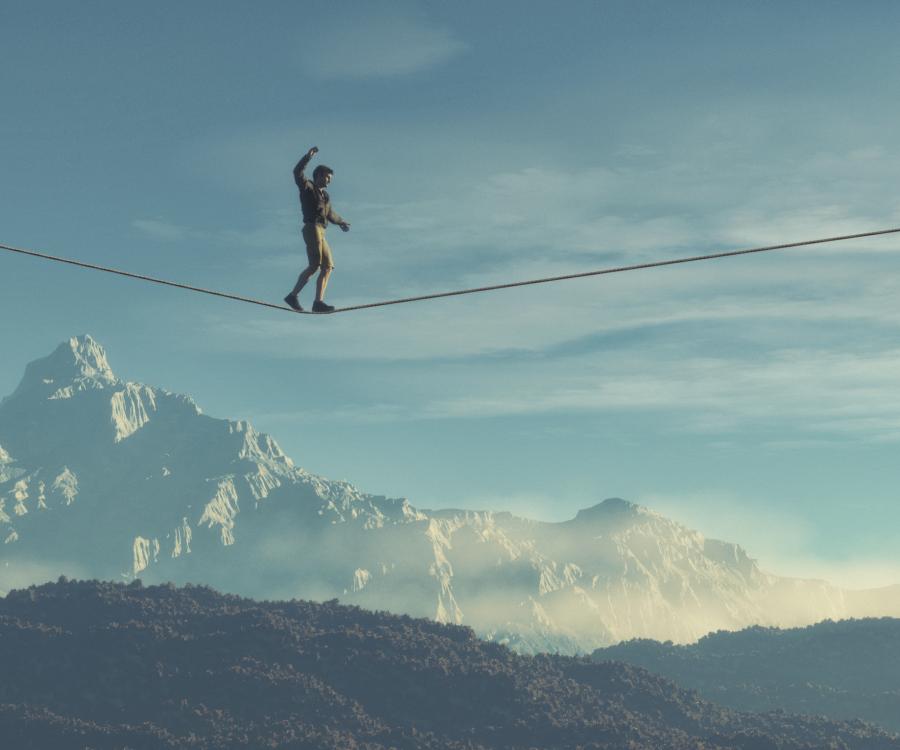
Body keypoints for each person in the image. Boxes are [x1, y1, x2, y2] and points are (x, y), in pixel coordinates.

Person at [284, 146, 351, 313]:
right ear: (319, 176)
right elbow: (297, 172)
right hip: (311, 227)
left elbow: (330, 214)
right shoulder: (308, 187)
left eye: (330, 178)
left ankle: (318, 302)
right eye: (327, 177)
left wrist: (341, 222)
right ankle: (293, 296)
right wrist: (307, 157)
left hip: (322, 230)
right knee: (315, 265)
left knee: (328, 266)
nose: (329, 181)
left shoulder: (325, 196)